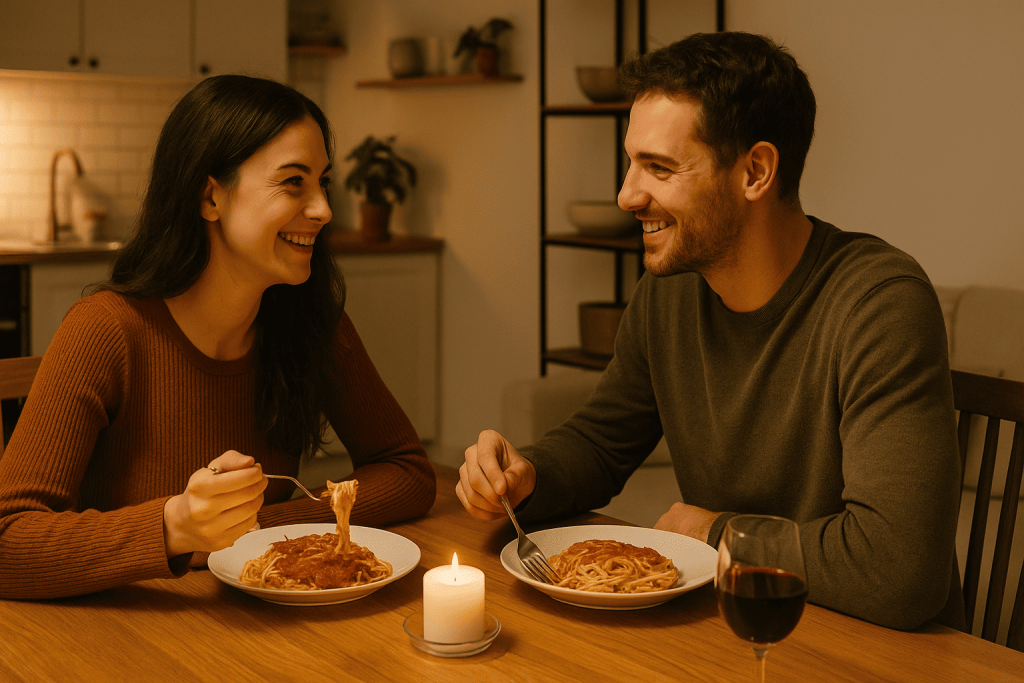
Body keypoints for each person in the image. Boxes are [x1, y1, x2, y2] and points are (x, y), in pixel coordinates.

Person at [457, 32, 964, 632]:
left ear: (755, 171)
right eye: (630, 161)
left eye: (659, 168)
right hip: (727, 625)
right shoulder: (669, 290)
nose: (626, 195)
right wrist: (526, 475)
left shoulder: (880, 304)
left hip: (872, 646)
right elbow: (601, 443)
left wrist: (713, 531)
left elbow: (897, 569)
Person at [0, 75, 435, 600]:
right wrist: (175, 527)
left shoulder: (313, 324)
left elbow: (408, 471)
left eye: (322, 182)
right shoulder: (105, 331)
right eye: (294, 182)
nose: (323, 209)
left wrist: (264, 526)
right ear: (210, 197)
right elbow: (9, 541)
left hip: (263, 637)